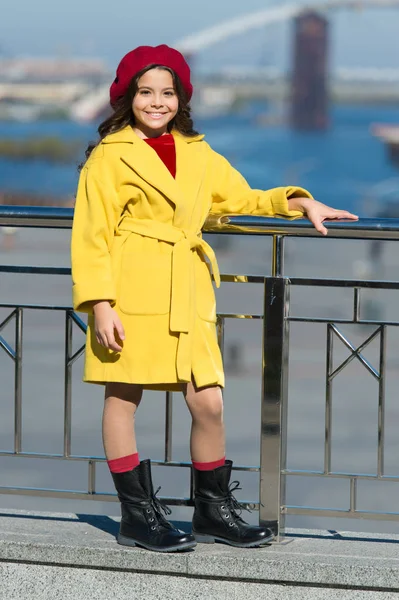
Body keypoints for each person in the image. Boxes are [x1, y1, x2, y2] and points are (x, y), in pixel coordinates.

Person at [71, 44, 358, 553]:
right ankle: (137, 517)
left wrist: (299, 201)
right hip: (131, 287)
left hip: (188, 289)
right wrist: (101, 303)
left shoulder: (198, 152)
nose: (157, 102)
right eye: (146, 92)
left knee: (208, 402)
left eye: (168, 92)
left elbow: (242, 198)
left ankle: (212, 511)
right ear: (127, 97)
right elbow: (91, 235)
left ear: (181, 97)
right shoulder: (110, 157)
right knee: (122, 397)